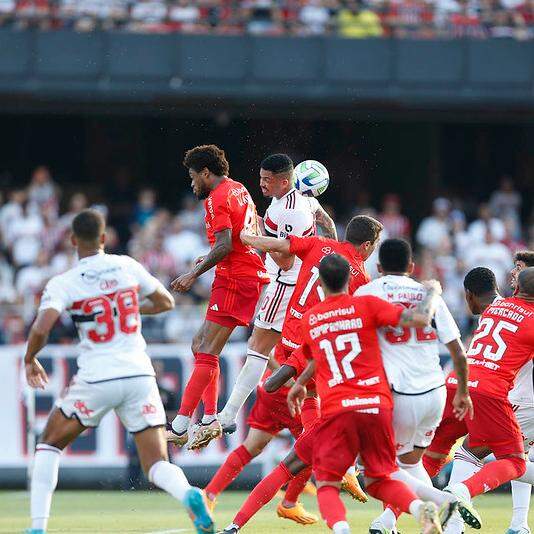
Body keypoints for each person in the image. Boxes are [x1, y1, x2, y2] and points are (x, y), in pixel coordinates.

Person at [219, 255, 475, 534]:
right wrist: (433, 293)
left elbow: (300, 365)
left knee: (317, 479)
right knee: (382, 476)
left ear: (319, 283)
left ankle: (236, 526)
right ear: (351, 281)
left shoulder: (311, 320)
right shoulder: (366, 305)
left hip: (336, 411)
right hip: (378, 405)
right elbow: (417, 318)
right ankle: (428, 504)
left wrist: (296, 384)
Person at [24, 209, 214, 534]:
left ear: (72, 241)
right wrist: (123, 305)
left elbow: (42, 327)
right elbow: (166, 301)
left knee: (49, 444)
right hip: (139, 374)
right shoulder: (126, 265)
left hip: (97, 376)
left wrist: (30, 358)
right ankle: (190, 495)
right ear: (103, 238)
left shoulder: (64, 282)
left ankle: (38, 528)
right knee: (156, 463)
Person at [355, 239, 471, 534]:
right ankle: (446, 523)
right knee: (408, 461)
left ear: (379, 268)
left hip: (400, 394)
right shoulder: (428, 293)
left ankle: (443, 501)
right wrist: (463, 392)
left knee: (375, 470)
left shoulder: (368, 292)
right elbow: (458, 350)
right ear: (411, 267)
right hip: (435, 393)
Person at [218, 153, 336, 434]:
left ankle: (227, 416)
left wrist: (253, 235)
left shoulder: (289, 211)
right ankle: (316, 426)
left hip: (286, 284)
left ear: (285, 182)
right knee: (299, 357)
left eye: (267, 180)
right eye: (260, 178)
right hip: (300, 284)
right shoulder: (300, 199)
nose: (261, 184)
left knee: (258, 348)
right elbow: (324, 219)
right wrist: (331, 252)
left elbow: (284, 259)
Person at [168, 144, 269, 450]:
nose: (192, 182)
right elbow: (245, 233)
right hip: (239, 274)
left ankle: (182, 423)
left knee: (207, 348)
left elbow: (225, 244)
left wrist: (191, 276)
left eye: (193, 176)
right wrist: (209, 258)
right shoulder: (239, 189)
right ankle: (208, 415)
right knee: (200, 346)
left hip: (236, 278)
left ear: (206, 173)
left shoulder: (216, 198)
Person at [423, 267, 534, 530]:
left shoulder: (494, 308)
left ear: (517, 288)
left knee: (444, 451)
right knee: (513, 460)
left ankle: (391, 514)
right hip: (499, 393)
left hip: (460, 385)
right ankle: (461, 497)